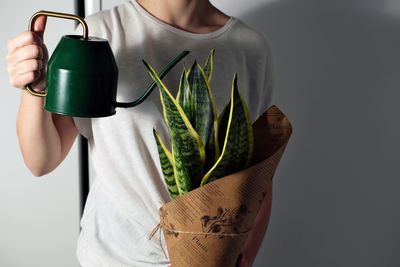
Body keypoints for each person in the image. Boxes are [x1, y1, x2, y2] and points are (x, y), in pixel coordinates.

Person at [6, 0, 275, 266]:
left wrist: (244, 255)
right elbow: (41, 160)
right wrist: (36, 87)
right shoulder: (102, 33)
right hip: (116, 258)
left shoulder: (250, 48)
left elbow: (259, 173)